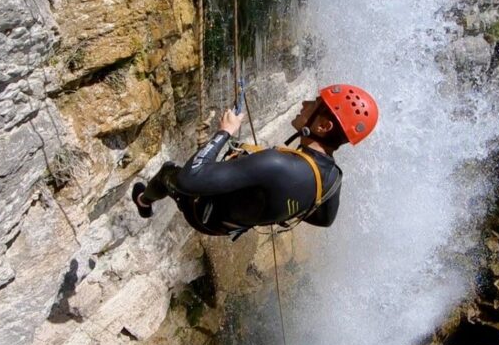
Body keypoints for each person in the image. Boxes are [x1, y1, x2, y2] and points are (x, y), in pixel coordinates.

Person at [131, 84, 378, 239]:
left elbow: (189, 180)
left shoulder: (277, 165)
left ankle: (143, 201)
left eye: (314, 105)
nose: (304, 104)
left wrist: (224, 132)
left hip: (201, 213)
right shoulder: (334, 177)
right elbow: (324, 220)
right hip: (228, 227)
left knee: (169, 172)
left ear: (323, 126)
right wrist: (274, 204)